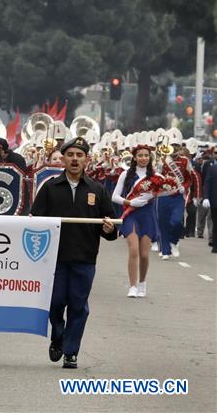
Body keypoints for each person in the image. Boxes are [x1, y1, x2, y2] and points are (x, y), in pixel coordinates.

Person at [30, 137, 117, 369]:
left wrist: (109, 229)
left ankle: (71, 351)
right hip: (55, 259)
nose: (75, 159)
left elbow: (110, 227)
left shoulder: (97, 190)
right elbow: (34, 221)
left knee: (78, 306)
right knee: (56, 302)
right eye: (70, 155)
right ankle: (57, 336)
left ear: (86, 159)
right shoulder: (49, 187)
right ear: (63, 159)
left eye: (80, 155)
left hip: (85, 258)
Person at [110, 145, 157, 297]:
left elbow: (165, 190)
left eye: (146, 155)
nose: (144, 158)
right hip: (131, 215)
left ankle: (142, 283)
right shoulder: (126, 174)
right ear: (135, 158)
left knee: (144, 254)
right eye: (140, 155)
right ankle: (133, 286)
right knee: (134, 251)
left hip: (147, 216)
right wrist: (130, 203)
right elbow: (114, 196)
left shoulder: (155, 175)